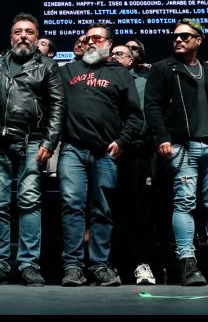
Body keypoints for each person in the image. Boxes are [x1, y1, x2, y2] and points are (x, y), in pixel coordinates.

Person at [144, 19, 208, 286]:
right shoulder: (163, 68)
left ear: (199, 40)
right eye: (175, 36)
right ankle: (188, 263)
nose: (178, 40)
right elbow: (152, 106)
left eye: (185, 36)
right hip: (182, 147)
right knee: (184, 202)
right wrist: (163, 138)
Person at [58, 24, 143, 287]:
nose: (91, 41)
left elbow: (134, 115)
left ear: (109, 43)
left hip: (106, 152)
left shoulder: (119, 73)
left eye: (97, 37)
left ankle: (99, 265)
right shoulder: (69, 70)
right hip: (73, 148)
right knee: (72, 206)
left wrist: (122, 141)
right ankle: (72, 266)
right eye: (87, 37)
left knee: (102, 210)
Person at [0, 13, 65, 286]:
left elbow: (58, 106)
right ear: (11, 37)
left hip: (33, 141)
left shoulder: (48, 66)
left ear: (36, 36)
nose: (23, 36)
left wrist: (49, 142)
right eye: (18, 31)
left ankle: (29, 264)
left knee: (29, 202)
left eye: (29, 32)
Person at [110, 42, 157, 285]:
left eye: (121, 54)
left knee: (140, 210)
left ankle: (142, 263)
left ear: (131, 60)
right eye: (113, 53)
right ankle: (113, 264)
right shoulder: (102, 81)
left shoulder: (143, 82)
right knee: (111, 211)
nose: (116, 57)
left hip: (138, 152)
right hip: (107, 154)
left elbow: (147, 117)